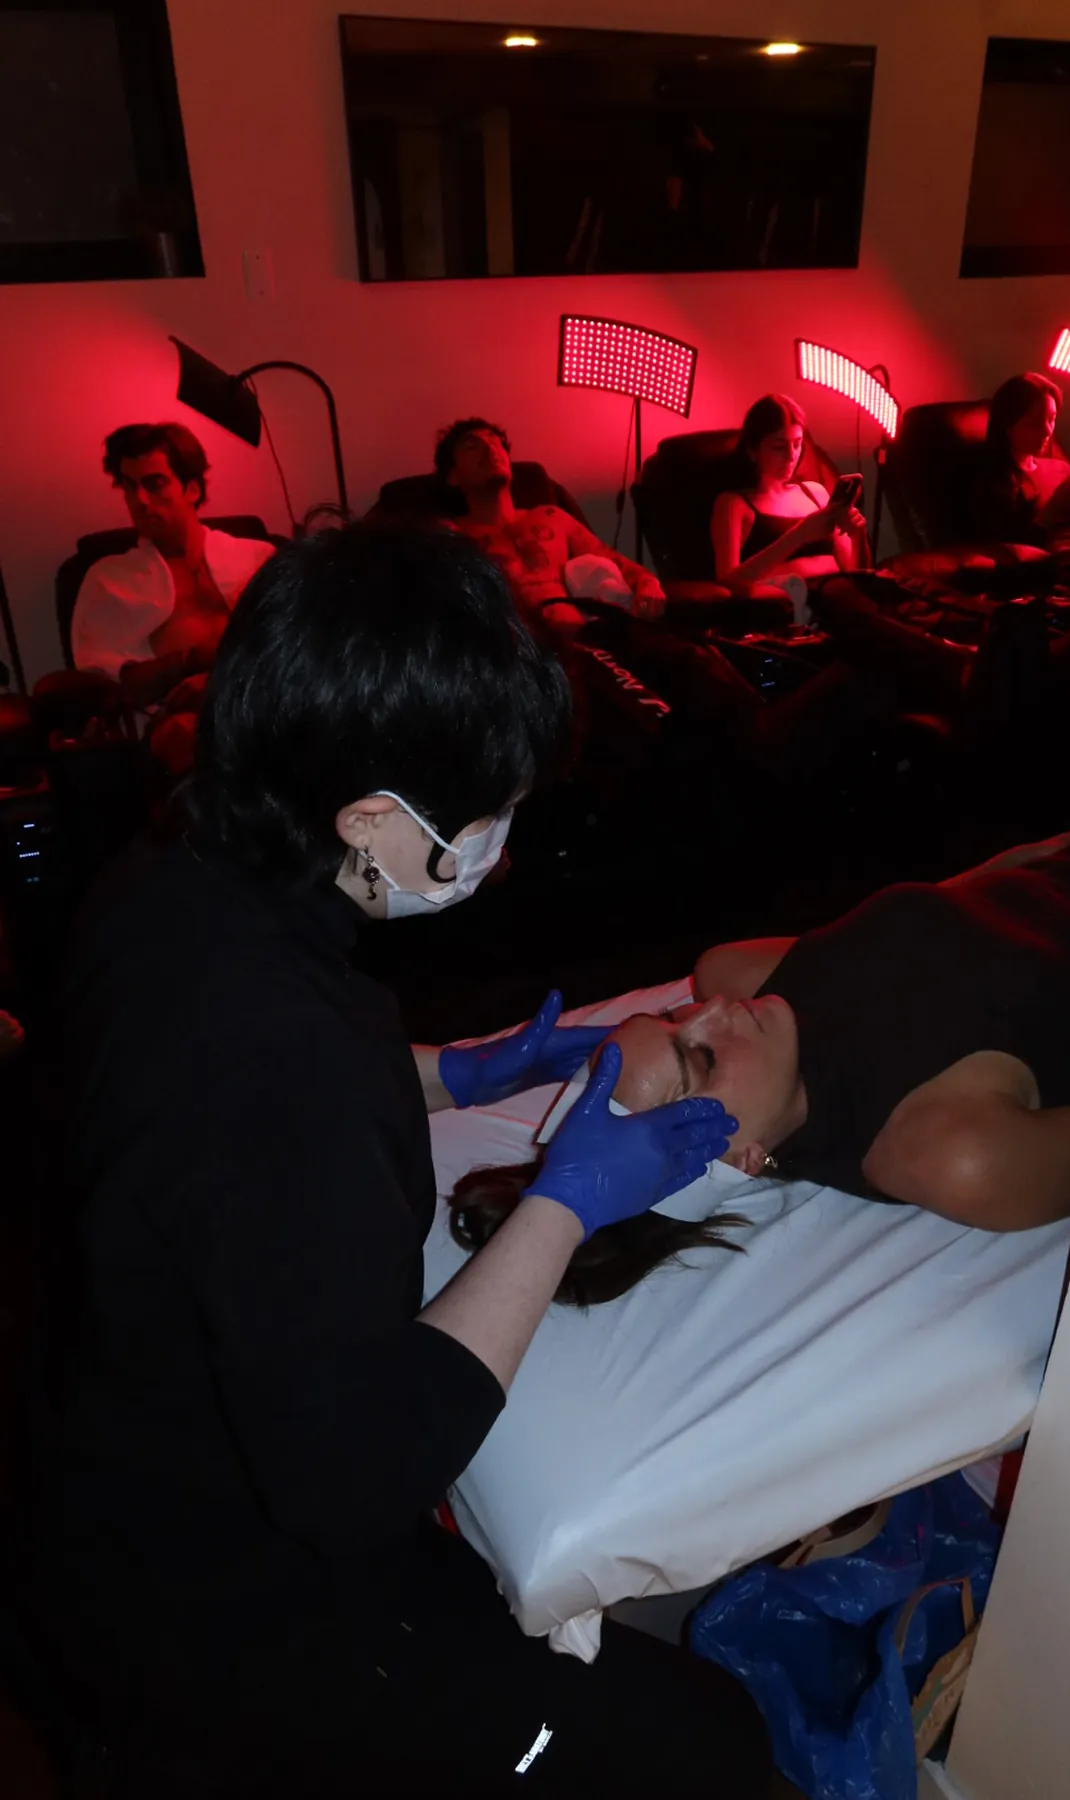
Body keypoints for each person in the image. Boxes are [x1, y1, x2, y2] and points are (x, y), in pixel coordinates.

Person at [17, 527, 769, 1800]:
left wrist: (450, 1074)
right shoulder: (273, 1063)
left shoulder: (177, 869)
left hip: (95, 1472)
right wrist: (565, 1202)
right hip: (210, 1612)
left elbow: (232, 1092)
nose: (502, 852)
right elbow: (355, 1477)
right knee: (708, 1752)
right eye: (486, 823)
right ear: (370, 819)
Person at [461, 811, 1070, 1244]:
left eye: (674, 1016)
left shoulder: (737, 974)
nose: (711, 1010)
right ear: (740, 1157)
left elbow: (944, 922)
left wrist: (1023, 864)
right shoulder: (947, 1153)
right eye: (701, 1059)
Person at [71, 422, 276, 773]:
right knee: (184, 735)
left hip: (261, 701)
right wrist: (191, 660)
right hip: (178, 722)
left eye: (154, 484)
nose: (139, 501)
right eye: (129, 486)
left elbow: (294, 650)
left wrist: (213, 681)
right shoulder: (109, 579)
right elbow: (115, 686)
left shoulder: (257, 558)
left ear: (192, 488)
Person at [435, 416, 667, 630]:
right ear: (452, 476)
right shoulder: (451, 537)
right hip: (518, 650)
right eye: (471, 445)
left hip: (585, 640)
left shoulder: (551, 517)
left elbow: (617, 562)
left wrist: (648, 583)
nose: (490, 448)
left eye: (495, 442)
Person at [711, 393, 870, 604]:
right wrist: (799, 535)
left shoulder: (815, 493)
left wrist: (858, 535)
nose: (791, 455)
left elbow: (858, 575)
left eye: (797, 443)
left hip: (841, 599)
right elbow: (727, 583)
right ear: (752, 450)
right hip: (791, 607)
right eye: (779, 446)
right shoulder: (734, 504)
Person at [970, 372, 1070, 556]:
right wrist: (1056, 506)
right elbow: (1014, 556)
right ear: (1006, 426)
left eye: (1052, 419)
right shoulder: (992, 483)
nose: (1047, 431)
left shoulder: (1061, 469)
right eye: (1034, 424)